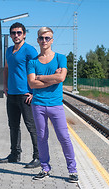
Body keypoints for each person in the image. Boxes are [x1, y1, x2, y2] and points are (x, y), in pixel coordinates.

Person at [27, 27, 78, 181]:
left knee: (64, 137)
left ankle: (72, 170)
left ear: (52, 40)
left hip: (56, 104)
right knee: (42, 137)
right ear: (37, 40)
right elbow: (32, 83)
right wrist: (51, 78)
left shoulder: (61, 58)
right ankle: (45, 168)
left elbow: (61, 78)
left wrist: (40, 77)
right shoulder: (32, 61)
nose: (44, 41)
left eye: (47, 38)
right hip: (38, 105)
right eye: (41, 38)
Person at [0, 22, 40, 168]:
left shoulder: (30, 50)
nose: (16, 35)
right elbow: (6, 69)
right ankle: (15, 154)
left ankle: (38, 156)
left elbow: (38, 69)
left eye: (19, 32)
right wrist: (5, 86)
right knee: (13, 126)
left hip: (25, 94)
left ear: (24, 34)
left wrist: (34, 92)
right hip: (12, 95)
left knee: (31, 126)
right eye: (13, 33)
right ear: (10, 35)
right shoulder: (9, 51)